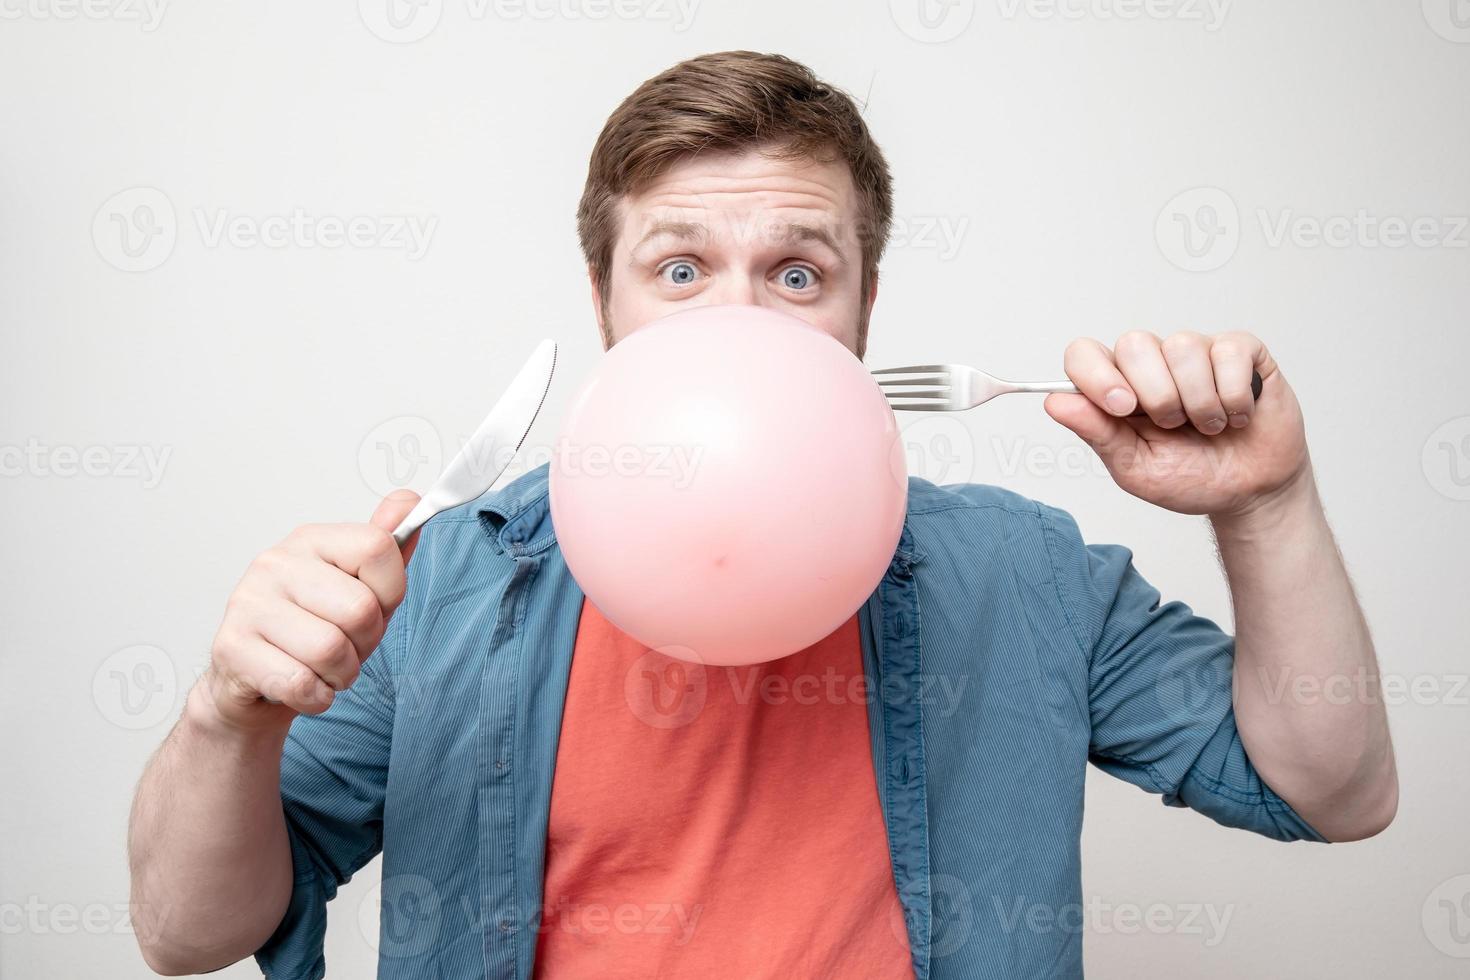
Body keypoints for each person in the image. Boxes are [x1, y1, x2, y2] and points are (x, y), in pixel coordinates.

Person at [127, 51, 1396, 979]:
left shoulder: (1026, 573)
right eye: (680, 269)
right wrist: (223, 713)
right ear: (604, 299)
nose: (737, 319)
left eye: (797, 272)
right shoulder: (442, 582)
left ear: (864, 310)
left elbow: (1335, 789)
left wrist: (1267, 505)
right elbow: (188, 930)